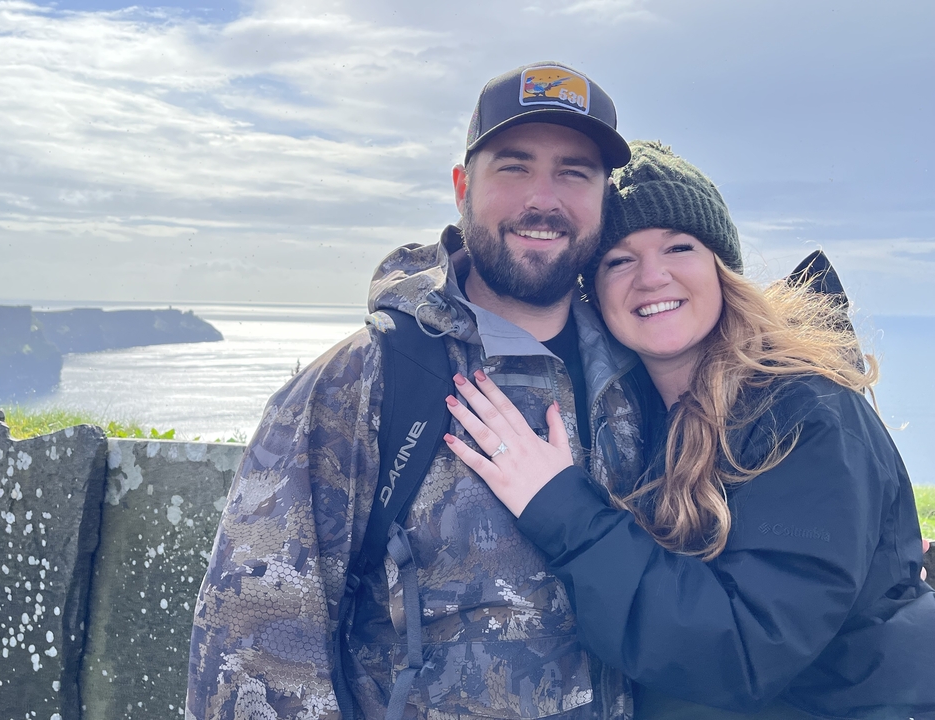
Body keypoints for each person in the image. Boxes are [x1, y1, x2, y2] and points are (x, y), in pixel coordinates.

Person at [186, 63, 650, 720]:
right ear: (462, 187)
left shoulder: (635, 380)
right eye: (513, 167)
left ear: (604, 196)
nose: (543, 199)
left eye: (574, 172)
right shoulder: (360, 382)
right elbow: (253, 658)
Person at [444, 141, 935, 718]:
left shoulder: (806, 415)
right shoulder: (641, 420)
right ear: (593, 295)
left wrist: (562, 509)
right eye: (619, 260)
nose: (653, 276)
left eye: (680, 246)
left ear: (723, 269)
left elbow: (744, 651)